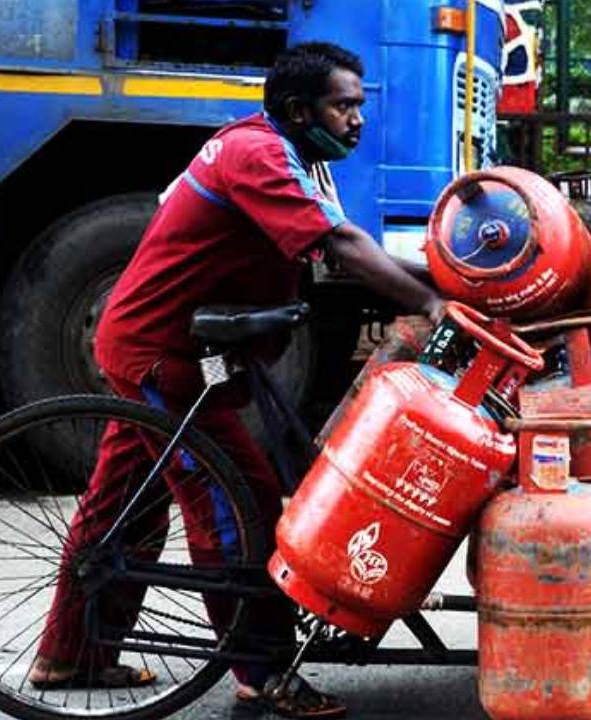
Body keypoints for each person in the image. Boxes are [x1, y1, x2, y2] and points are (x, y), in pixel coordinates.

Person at [28, 41, 441, 719]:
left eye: (358, 107)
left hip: (173, 347)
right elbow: (340, 248)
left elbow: (340, 252)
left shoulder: (291, 157)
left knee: (122, 505)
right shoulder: (258, 153)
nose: (356, 121)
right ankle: (259, 671)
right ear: (297, 108)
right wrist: (428, 303)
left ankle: (69, 654)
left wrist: (449, 283)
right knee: (234, 497)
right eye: (344, 107)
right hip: (163, 355)